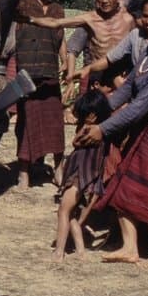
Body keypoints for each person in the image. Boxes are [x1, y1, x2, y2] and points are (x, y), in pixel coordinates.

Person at [75, 0, 148, 268]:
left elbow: (138, 108)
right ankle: (130, 248)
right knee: (123, 186)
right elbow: (127, 89)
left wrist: (101, 130)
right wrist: (100, 113)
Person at [1, 0, 67, 188]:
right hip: (27, 73)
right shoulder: (23, 5)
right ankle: (24, 171)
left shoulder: (58, 10)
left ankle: (59, 168)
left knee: (55, 123)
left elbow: (61, 39)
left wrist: (67, 63)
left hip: (50, 74)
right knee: (27, 121)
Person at [23, 0, 135, 93]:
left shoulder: (129, 19)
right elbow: (56, 23)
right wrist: (30, 19)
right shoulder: (90, 18)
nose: (104, 0)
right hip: (97, 77)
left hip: (122, 79)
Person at [52, 89, 112, 262]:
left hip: (81, 177)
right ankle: (80, 251)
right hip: (80, 176)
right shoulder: (99, 129)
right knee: (70, 215)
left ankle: (59, 252)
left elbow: (76, 142)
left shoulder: (93, 131)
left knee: (63, 211)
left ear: (93, 114)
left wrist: (85, 127)